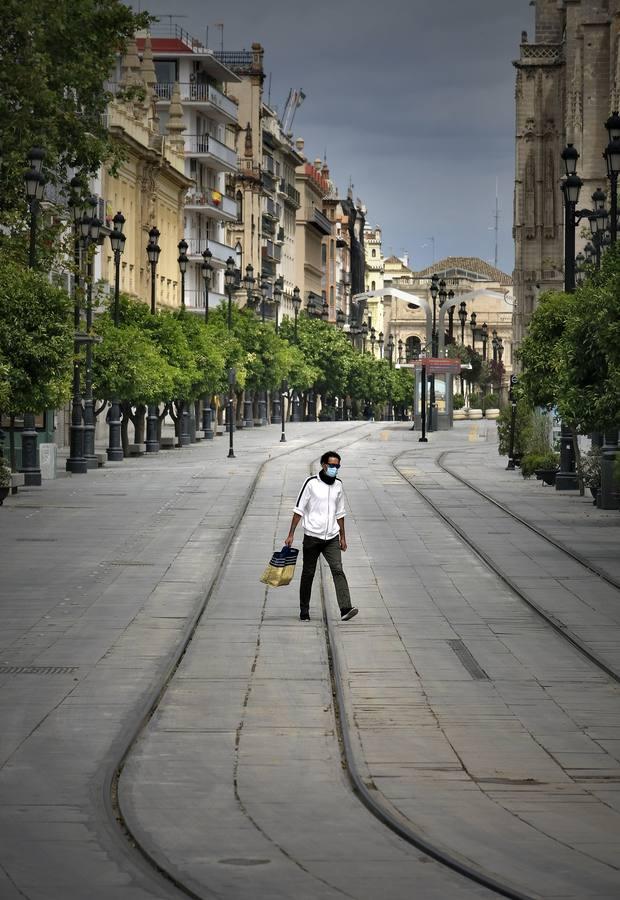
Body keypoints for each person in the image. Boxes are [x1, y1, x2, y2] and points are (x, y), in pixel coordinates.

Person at [285, 451, 358, 622]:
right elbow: (299, 510)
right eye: (332, 465)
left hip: (331, 537)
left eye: (337, 466)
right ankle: (304, 610)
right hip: (312, 536)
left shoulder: (338, 485)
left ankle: (345, 608)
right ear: (324, 465)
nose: (335, 469)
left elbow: (340, 512)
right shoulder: (310, 483)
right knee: (308, 573)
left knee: (338, 570)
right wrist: (291, 534)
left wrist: (343, 537)